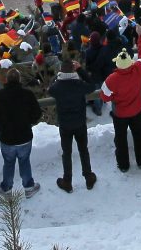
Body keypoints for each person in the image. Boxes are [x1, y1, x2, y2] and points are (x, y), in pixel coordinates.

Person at [46, 58, 96, 192]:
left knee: (66, 153)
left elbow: (49, 89)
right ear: (74, 70)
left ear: (61, 72)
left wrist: (57, 77)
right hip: (80, 123)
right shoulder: (79, 84)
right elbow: (92, 85)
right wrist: (80, 69)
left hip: (65, 125)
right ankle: (88, 177)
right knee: (83, 150)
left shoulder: (57, 87)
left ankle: (67, 181)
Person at [0, 69, 42, 194]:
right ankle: (29, 187)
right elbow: (37, 113)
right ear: (19, 79)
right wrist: (28, 122)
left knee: (8, 163)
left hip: (7, 137)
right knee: (24, 161)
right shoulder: (28, 94)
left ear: (6, 80)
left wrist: (1, 126)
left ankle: (6, 188)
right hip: (24, 136)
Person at [101, 49, 141, 170]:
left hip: (120, 114)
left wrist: (114, 97)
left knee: (120, 138)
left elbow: (104, 97)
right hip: (137, 110)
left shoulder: (112, 79)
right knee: (139, 135)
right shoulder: (138, 69)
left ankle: (123, 164)